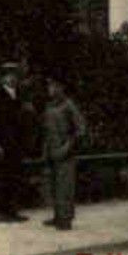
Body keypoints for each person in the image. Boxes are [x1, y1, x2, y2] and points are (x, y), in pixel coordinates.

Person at [39, 77, 89, 231]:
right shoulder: (49, 106)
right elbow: (46, 130)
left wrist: (68, 146)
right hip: (50, 150)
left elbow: (81, 129)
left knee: (65, 187)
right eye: (49, 87)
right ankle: (57, 215)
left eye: (53, 86)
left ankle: (66, 219)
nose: (50, 89)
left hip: (65, 152)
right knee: (53, 186)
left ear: (61, 88)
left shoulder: (68, 105)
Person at [0, 63, 32, 223]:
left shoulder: (19, 95)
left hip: (16, 143)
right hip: (2, 143)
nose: (12, 78)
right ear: (2, 78)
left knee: (14, 177)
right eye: (8, 75)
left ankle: (12, 211)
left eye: (15, 75)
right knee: (0, 178)